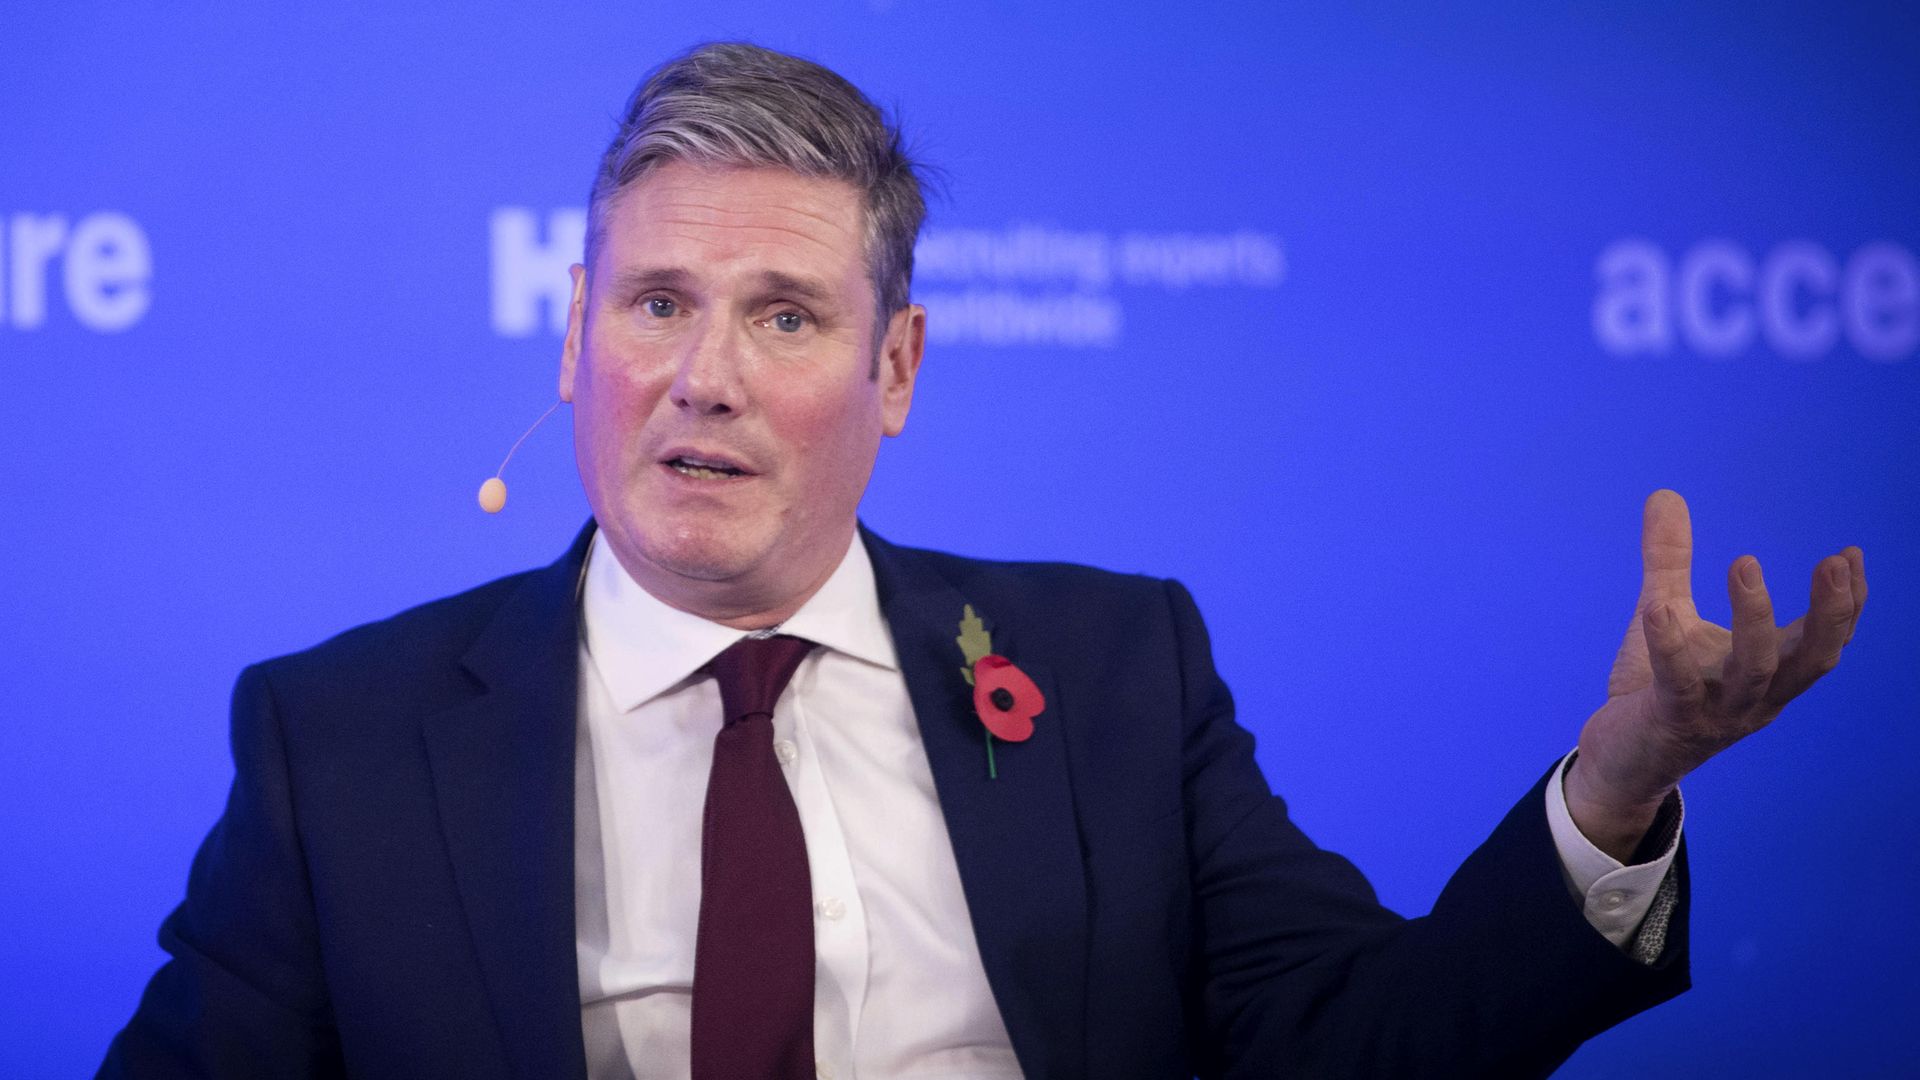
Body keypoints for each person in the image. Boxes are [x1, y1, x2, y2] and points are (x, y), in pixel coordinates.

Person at [99, 42, 1867, 1080]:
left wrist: (1618, 793)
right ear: (575, 337)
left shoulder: (1113, 673)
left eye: (784, 315)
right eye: (657, 304)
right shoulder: (342, 737)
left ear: (895, 369)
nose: (702, 374)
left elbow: (1362, 1048)